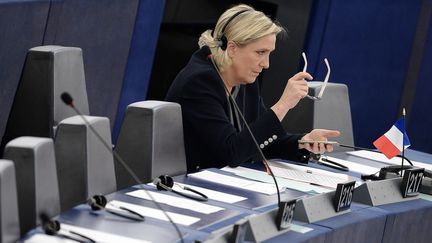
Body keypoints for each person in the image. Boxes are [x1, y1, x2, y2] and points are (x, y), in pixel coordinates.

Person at [166, 4, 340, 173]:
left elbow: (259, 140)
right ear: (232, 48)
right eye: (260, 52)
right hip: (191, 186)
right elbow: (231, 153)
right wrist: (283, 105)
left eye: (269, 54)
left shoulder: (245, 80)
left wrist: (302, 142)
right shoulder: (199, 82)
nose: (266, 64)